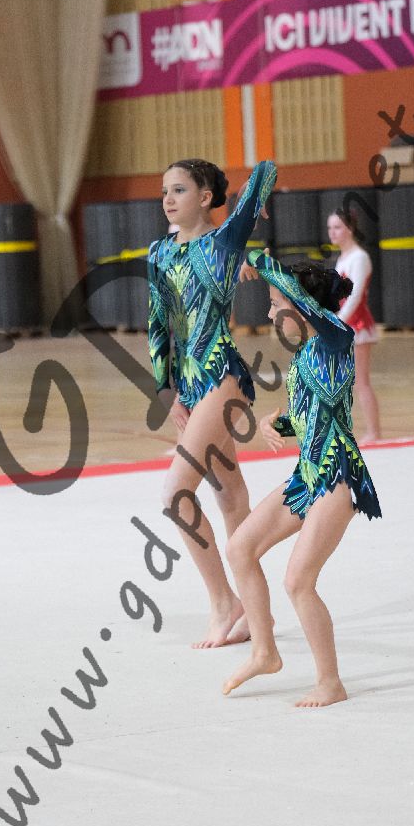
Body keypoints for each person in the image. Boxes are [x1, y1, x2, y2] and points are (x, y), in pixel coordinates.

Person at [223, 251, 381, 707]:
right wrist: (276, 424)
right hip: (307, 476)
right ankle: (264, 651)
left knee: (298, 581)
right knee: (240, 548)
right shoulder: (307, 354)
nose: (271, 313)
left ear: (300, 305)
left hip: (336, 476)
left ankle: (330, 682)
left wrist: (253, 258)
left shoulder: (335, 338)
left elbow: (297, 294)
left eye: (276, 304)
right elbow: (312, 416)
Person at [148, 158, 277, 648]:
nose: (168, 199)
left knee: (175, 494)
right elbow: (157, 324)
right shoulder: (159, 253)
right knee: (229, 495)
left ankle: (225, 603)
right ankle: (253, 612)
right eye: (165, 191)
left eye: (179, 189)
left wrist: (255, 200)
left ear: (205, 197)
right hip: (188, 385)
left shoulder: (223, 243)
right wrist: (165, 390)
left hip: (222, 376)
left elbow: (265, 169)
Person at [326, 205, 381, 444]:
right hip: (346, 324)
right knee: (348, 382)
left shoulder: (359, 257)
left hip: (357, 326)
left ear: (349, 229)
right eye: (330, 228)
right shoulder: (343, 258)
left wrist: (338, 322)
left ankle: (374, 432)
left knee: (361, 381)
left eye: (337, 227)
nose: (332, 232)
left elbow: (355, 295)